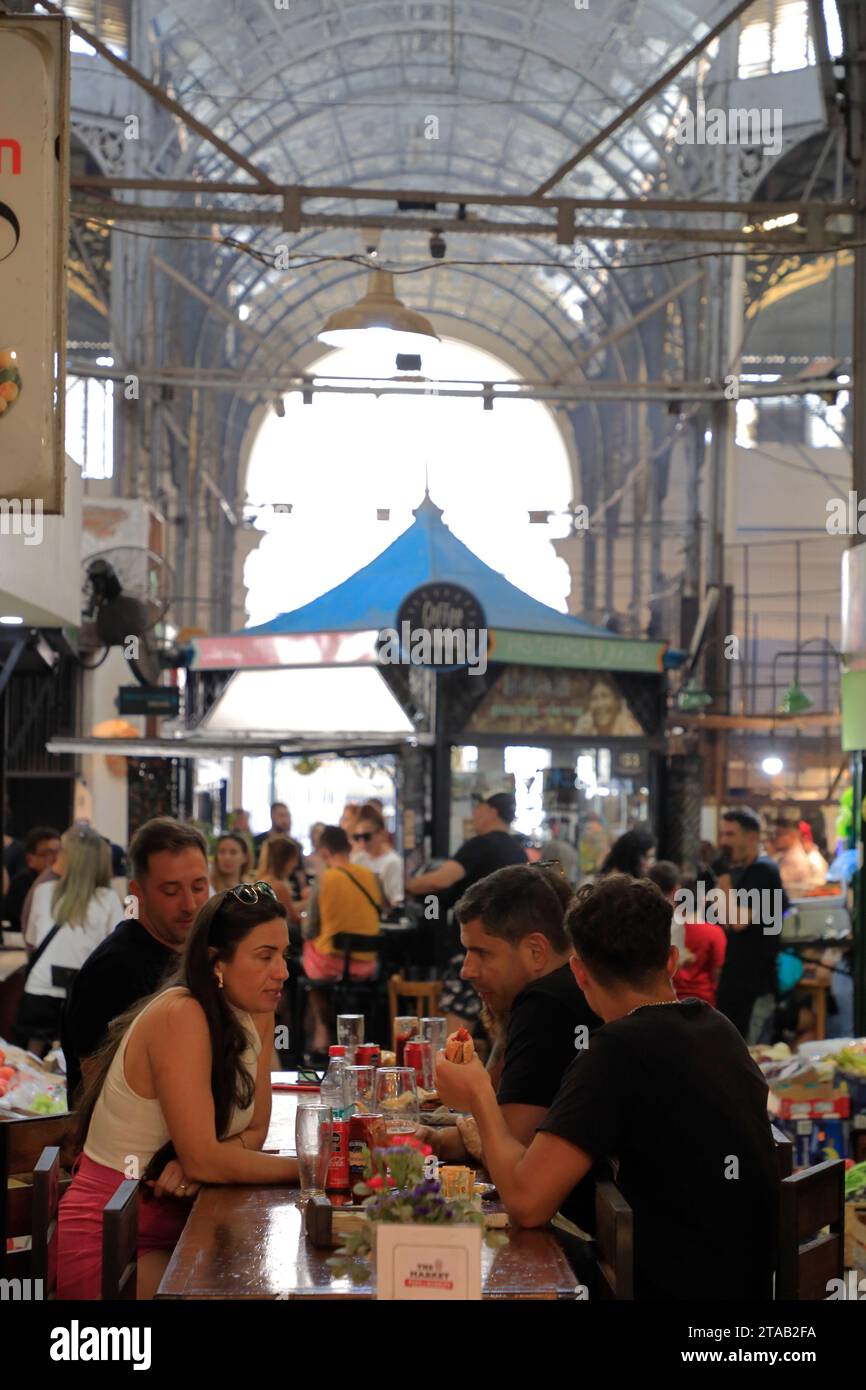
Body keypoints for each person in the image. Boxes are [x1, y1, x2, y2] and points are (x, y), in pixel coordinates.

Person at [435, 873, 779, 1301]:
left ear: (578, 971)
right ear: (672, 961)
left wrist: (477, 1094)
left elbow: (526, 1203)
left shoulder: (616, 1051)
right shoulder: (718, 1027)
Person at [57, 883, 298, 1300]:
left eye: (284, 955)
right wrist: (312, 1168)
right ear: (215, 963)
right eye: (265, 956)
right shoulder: (181, 1015)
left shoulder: (255, 1008)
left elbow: (256, 1128)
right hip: (113, 1234)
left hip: (178, 1228)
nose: (283, 972)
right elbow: (208, 1158)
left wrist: (202, 1159)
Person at [419, 864, 600, 1175]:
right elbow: (500, 1128)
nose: (466, 970)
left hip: (573, 1221)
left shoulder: (546, 1002)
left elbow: (510, 1154)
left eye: (482, 953)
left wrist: (472, 1092)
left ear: (535, 951)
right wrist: (435, 1141)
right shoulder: (564, 988)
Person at [61, 818, 212, 1105]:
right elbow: (100, 1091)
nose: (189, 904)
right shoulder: (113, 971)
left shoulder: (200, 955)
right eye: (170, 891)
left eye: (198, 886)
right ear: (137, 892)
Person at [408, 791, 528, 1020]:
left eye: (478, 808)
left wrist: (409, 885)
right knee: (499, 1023)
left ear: (492, 812)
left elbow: (439, 879)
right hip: (507, 949)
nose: (473, 814)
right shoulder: (517, 851)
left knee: (457, 1023)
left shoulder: (481, 844)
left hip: (474, 948)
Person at [14, 827, 123, 1056]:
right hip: (84, 995)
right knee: (78, 1066)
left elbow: (32, 939)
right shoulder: (109, 899)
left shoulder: (43, 891)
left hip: (40, 989)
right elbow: (115, 951)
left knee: (33, 1063)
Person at [301, 825, 383, 1055]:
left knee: (308, 950)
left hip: (331, 964)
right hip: (367, 965)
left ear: (324, 853)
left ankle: (322, 1030)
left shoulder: (324, 880)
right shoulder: (371, 877)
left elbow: (309, 929)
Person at [715, 807, 788, 1043]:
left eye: (731, 835)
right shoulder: (742, 873)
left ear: (752, 837)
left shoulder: (763, 872)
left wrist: (723, 882)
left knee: (753, 1059)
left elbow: (737, 922)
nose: (724, 842)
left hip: (755, 986)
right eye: (722, 834)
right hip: (734, 984)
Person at [671, 877, 727, 1008]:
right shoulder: (715, 933)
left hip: (671, 1000)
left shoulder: (667, 930)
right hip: (704, 1002)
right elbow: (718, 974)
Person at [1, 825, 61, 936]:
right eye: (49, 853)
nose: (56, 858)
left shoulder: (65, 882)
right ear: (30, 859)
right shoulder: (22, 884)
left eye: (59, 852)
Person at [350, 803, 404, 909]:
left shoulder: (392, 862)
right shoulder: (357, 859)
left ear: (381, 834)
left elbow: (396, 900)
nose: (362, 843)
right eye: (357, 837)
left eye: (367, 837)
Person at [771, 817, 827, 895]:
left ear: (792, 835)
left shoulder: (795, 858)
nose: (775, 838)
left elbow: (772, 882)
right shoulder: (786, 856)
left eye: (779, 834)